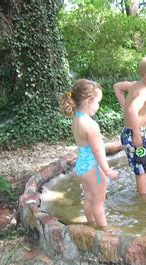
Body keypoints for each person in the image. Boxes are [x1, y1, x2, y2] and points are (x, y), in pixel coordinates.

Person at [61, 79, 118, 230]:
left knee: (88, 198)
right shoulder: (91, 125)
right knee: (99, 202)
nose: (98, 106)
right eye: (97, 102)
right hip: (94, 168)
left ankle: (91, 224)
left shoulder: (76, 120)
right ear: (88, 101)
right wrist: (107, 170)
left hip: (82, 166)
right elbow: (98, 151)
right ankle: (105, 231)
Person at [113, 56, 146, 196]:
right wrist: (137, 135)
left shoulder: (134, 85)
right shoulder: (145, 92)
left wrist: (124, 105)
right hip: (136, 135)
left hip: (127, 133)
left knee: (139, 167)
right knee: (142, 168)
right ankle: (144, 201)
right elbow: (132, 110)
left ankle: (141, 194)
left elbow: (117, 87)